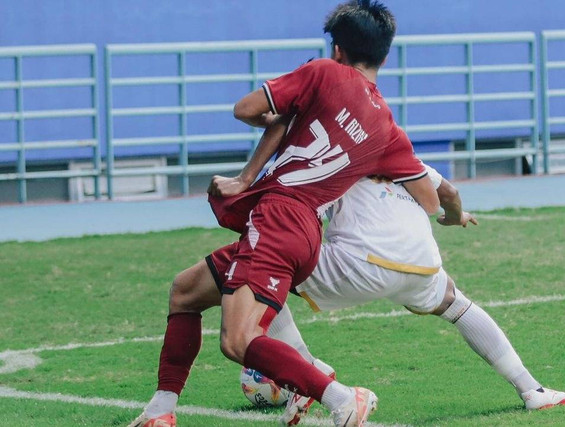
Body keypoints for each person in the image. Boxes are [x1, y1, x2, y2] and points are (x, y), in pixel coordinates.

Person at [129, 1, 441, 426]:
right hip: (307, 229)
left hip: (279, 218)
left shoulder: (325, 73)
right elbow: (431, 197)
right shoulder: (387, 128)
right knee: (186, 290)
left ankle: (341, 396)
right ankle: (160, 412)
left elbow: (245, 109)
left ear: (336, 50)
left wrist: (256, 160)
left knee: (239, 340)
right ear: (385, 56)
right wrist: (450, 213)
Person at [266, 169, 565, 426]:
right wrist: (457, 216)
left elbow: (306, 222)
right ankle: (532, 389)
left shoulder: (333, 157)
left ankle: (306, 370)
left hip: (360, 263)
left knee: (259, 272)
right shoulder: (398, 149)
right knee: (456, 304)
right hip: (420, 264)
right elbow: (448, 194)